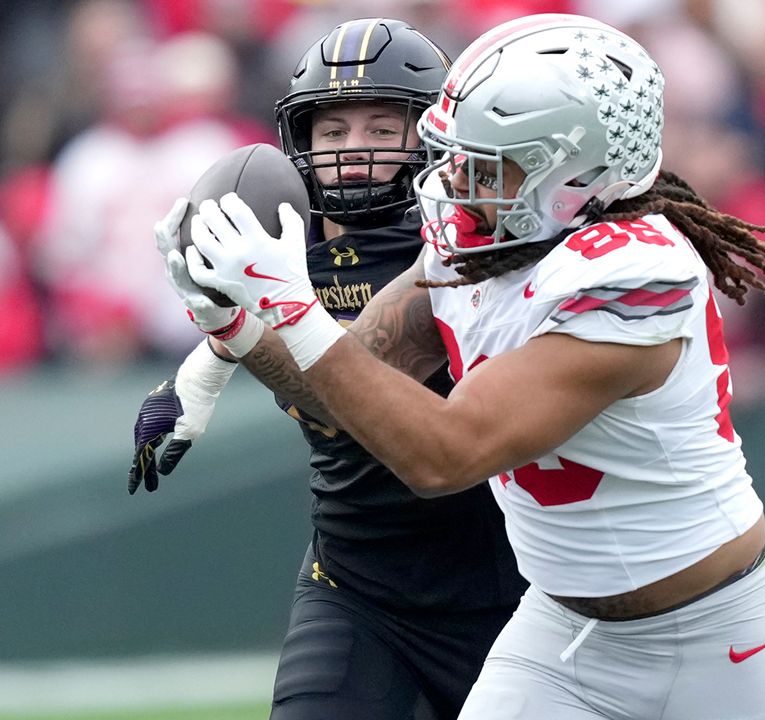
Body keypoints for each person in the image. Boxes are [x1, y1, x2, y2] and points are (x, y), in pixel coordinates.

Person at [161, 13, 765, 720]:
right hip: (562, 638)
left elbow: (448, 453)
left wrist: (293, 310)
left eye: (482, 160)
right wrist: (236, 326)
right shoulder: (474, 243)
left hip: (716, 639)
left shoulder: (637, 274)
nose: (452, 178)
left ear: (569, 169)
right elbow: (345, 392)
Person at [130, 18, 527, 719]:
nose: (353, 153)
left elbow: (345, 393)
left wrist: (238, 330)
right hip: (357, 584)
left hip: (509, 592)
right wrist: (212, 355)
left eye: (381, 130)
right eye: (334, 132)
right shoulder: (281, 232)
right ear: (300, 140)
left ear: (432, 136)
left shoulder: (465, 246)